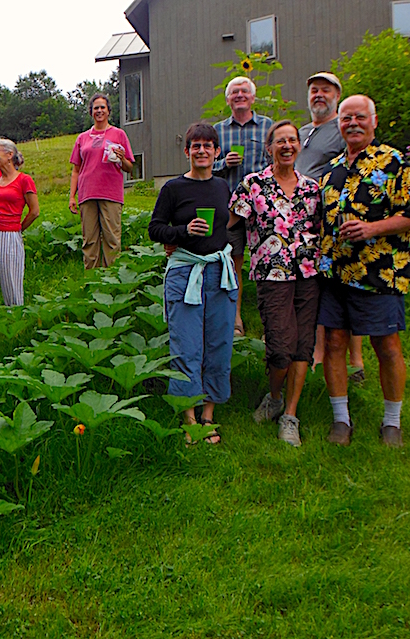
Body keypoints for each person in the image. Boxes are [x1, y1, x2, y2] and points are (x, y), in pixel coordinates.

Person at [318, 95, 410, 448]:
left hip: (379, 272)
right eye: (346, 118)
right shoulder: (331, 170)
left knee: (387, 346)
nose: (352, 123)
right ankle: (340, 419)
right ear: (338, 124)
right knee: (334, 343)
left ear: (373, 121)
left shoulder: (392, 162)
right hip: (335, 273)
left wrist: (372, 228)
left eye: (359, 117)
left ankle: (392, 422)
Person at [229, 121, 322, 447]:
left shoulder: (313, 188)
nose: (286, 146)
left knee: (303, 346)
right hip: (272, 275)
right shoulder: (252, 185)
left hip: (309, 275)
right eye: (279, 141)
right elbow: (228, 224)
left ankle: (290, 415)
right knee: (280, 348)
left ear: (299, 146)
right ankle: (274, 395)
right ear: (269, 148)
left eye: (292, 140)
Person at [148, 123, 237, 443]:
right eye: (195, 146)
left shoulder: (221, 187)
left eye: (207, 146)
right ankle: (189, 416)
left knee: (218, 345)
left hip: (219, 273)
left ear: (216, 152)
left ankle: (209, 415)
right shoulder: (173, 188)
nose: (201, 151)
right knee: (186, 347)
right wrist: (183, 232)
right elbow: (156, 229)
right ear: (186, 152)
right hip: (185, 273)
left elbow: (229, 226)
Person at [295, 73, 366, 382]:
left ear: (337, 95)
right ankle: (319, 351)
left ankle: (357, 359)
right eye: (314, 90)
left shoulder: (340, 129)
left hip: (335, 215)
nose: (319, 95)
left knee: (346, 282)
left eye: (325, 90)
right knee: (320, 282)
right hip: (305, 217)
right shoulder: (303, 131)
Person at [213, 77, 273, 337]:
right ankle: (236, 320)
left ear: (253, 98)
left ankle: (270, 320)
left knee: (268, 264)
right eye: (234, 92)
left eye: (244, 91)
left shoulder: (268, 127)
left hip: (262, 210)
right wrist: (224, 163)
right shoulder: (218, 131)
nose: (239, 95)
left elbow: (277, 165)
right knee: (234, 262)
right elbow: (207, 168)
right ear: (227, 100)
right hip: (231, 210)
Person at [69, 92, 135, 269]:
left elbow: (129, 167)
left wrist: (122, 159)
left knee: (112, 239)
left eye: (102, 108)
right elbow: (76, 170)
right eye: (96, 108)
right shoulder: (82, 138)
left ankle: (111, 279)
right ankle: (92, 281)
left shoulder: (119, 134)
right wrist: (72, 197)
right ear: (91, 112)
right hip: (87, 193)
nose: (99, 111)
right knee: (89, 240)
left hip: (110, 193)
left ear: (108, 111)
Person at [0, 138, 39, 318]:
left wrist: (18, 229)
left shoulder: (24, 180)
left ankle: (15, 319)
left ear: (9, 155)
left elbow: (34, 211)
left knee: (11, 280)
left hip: (9, 234)